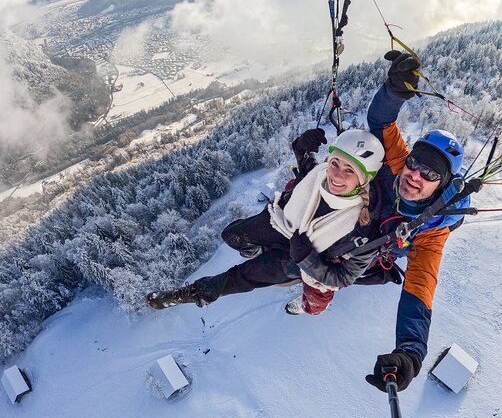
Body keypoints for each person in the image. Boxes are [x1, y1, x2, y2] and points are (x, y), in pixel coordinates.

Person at [146, 128, 386, 315]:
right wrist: (301, 148)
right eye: (335, 163)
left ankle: (186, 295)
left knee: (244, 278)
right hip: (284, 225)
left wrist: (305, 258)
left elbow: (342, 278)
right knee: (232, 235)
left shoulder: (364, 229)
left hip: (303, 260)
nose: (336, 175)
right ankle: (262, 251)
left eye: (349, 171)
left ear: (364, 179)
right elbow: (307, 171)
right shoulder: (318, 176)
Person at [361, 51, 473, 393]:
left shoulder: (431, 233)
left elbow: (419, 289)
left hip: (382, 245)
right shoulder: (399, 163)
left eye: (430, 174)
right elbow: (381, 123)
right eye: (414, 164)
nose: (415, 175)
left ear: (442, 184)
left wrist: (411, 352)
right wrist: (394, 92)